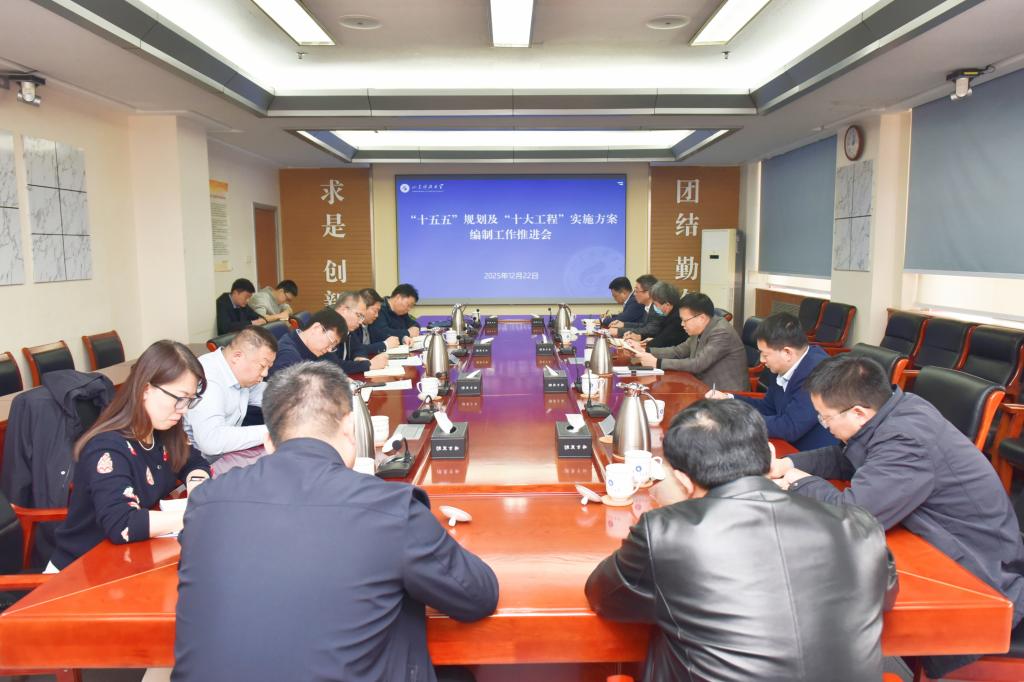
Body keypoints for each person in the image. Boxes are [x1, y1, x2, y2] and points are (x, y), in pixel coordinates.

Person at [173, 361, 500, 681]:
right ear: (350, 429)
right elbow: (477, 596)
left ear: (269, 441)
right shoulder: (389, 507)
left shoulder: (205, 502)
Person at [586, 399, 895, 681]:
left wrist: (675, 511)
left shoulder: (665, 532)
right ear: (769, 459)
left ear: (683, 481)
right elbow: (883, 596)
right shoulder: (860, 526)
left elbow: (604, 597)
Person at [769, 354, 1024, 678]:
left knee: (831, 593)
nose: (824, 425)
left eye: (825, 418)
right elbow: (846, 458)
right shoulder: (895, 410)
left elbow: (853, 515)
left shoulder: (906, 438)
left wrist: (796, 482)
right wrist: (787, 464)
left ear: (858, 412)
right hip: (934, 540)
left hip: (977, 572)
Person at [49, 341, 210, 571]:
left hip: (128, 560)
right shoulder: (107, 448)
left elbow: (193, 460)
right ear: (146, 389)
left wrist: (197, 489)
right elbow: (123, 523)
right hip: (80, 570)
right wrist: (198, 511)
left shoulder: (162, 429)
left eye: (190, 400)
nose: (184, 408)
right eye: (180, 398)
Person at [705, 312, 837, 450]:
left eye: (765, 354)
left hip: (810, 452)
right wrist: (728, 400)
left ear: (787, 353)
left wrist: (737, 418)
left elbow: (790, 427)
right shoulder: (782, 365)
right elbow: (768, 407)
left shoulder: (818, 373)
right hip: (786, 443)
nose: (761, 360)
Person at [183, 326, 277, 465]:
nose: (265, 374)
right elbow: (211, 441)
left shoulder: (240, 375)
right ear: (237, 357)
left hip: (224, 457)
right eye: (262, 366)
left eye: (268, 367)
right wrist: (273, 430)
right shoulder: (209, 379)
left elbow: (272, 394)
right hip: (197, 466)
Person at [631, 292, 747, 392]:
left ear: (701, 318)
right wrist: (645, 350)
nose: (682, 324)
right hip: (702, 386)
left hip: (726, 394)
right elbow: (678, 351)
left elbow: (698, 364)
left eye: (685, 320)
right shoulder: (700, 329)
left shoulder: (721, 332)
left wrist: (658, 363)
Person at [269, 307, 348, 375]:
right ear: (316, 328)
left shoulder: (306, 349)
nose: (329, 349)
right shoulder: (289, 358)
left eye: (333, 347)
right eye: (331, 342)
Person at [331, 292, 388, 374]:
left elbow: (358, 347)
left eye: (362, 317)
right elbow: (331, 365)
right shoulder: (327, 327)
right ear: (344, 310)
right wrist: (367, 365)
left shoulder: (348, 327)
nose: (361, 322)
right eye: (359, 315)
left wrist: (359, 357)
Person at [632, 281, 687, 349]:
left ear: (667, 305)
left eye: (655, 304)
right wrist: (641, 337)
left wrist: (640, 345)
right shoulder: (670, 313)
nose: (654, 307)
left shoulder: (677, 318)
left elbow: (662, 341)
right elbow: (660, 334)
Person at [608, 275, 661, 339]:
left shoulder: (658, 309)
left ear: (648, 293)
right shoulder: (648, 307)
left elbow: (649, 330)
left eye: (637, 291)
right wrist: (623, 324)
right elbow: (643, 325)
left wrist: (619, 331)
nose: (634, 294)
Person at [358, 287, 401, 353]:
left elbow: (383, 334)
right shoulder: (353, 325)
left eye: (378, 312)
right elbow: (357, 349)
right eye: (375, 311)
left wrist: (403, 338)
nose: (377, 315)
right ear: (363, 307)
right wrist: (385, 345)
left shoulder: (372, 323)